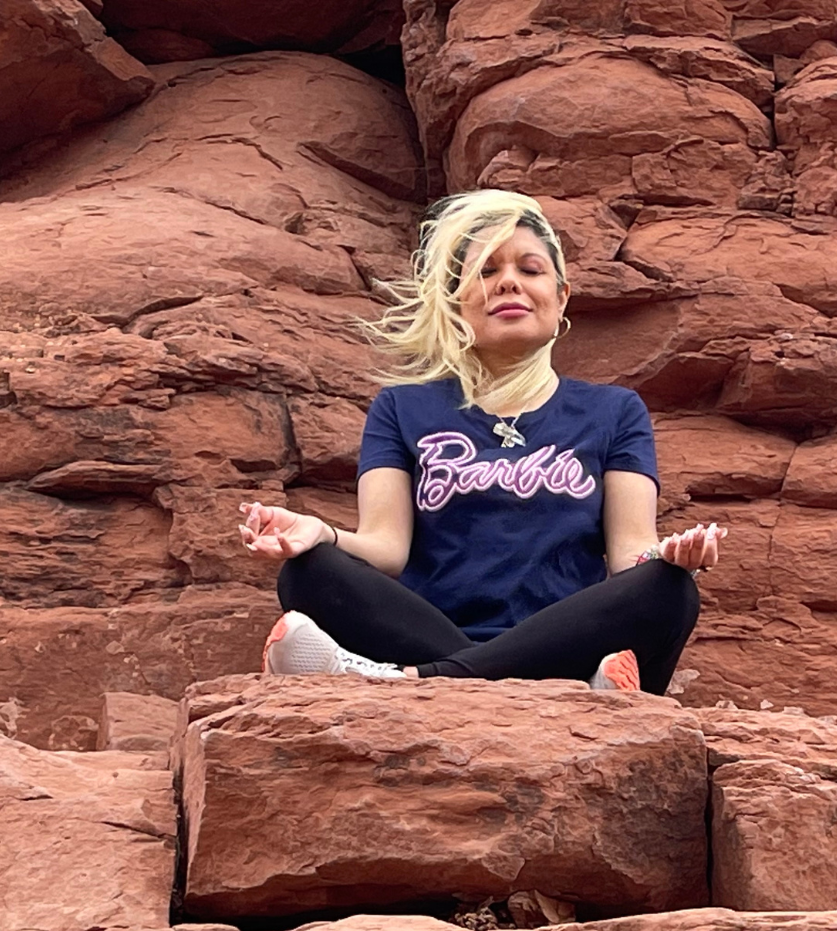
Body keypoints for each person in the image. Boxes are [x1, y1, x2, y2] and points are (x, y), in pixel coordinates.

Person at [237, 189, 722, 695]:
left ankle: (413, 682)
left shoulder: (614, 411)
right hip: (426, 635)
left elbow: (630, 557)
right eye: (486, 271)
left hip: (565, 641)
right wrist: (320, 532)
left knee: (669, 588)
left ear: (562, 296)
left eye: (530, 269)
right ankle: (546, 685)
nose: (509, 281)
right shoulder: (402, 407)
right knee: (307, 571)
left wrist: (672, 555)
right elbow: (385, 548)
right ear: (456, 301)